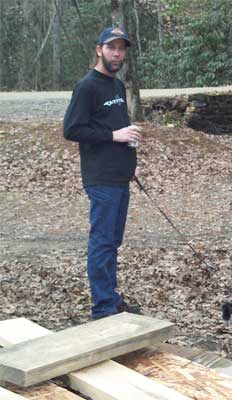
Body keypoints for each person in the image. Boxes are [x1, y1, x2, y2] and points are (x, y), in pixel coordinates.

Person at [63, 26, 142, 320]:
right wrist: (114, 136)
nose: (117, 54)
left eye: (121, 49)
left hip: (119, 176)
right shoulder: (87, 86)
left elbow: (117, 128)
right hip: (100, 179)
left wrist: (128, 150)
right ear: (99, 50)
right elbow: (72, 129)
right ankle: (103, 310)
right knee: (102, 242)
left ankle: (110, 298)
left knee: (113, 242)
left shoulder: (117, 86)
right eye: (112, 48)